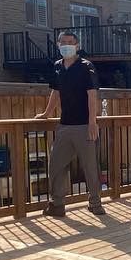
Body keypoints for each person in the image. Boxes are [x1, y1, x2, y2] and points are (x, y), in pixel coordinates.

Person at [36, 30, 105, 216]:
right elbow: (55, 92)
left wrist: (92, 122)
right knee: (56, 165)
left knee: (90, 167)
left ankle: (95, 204)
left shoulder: (86, 66)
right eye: (63, 42)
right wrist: (46, 113)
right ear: (58, 45)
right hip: (64, 125)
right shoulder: (57, 66)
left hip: (84, 126)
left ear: (77, 46)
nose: (67, 45)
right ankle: (57, 205)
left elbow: (92, 95)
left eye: (70, 42)